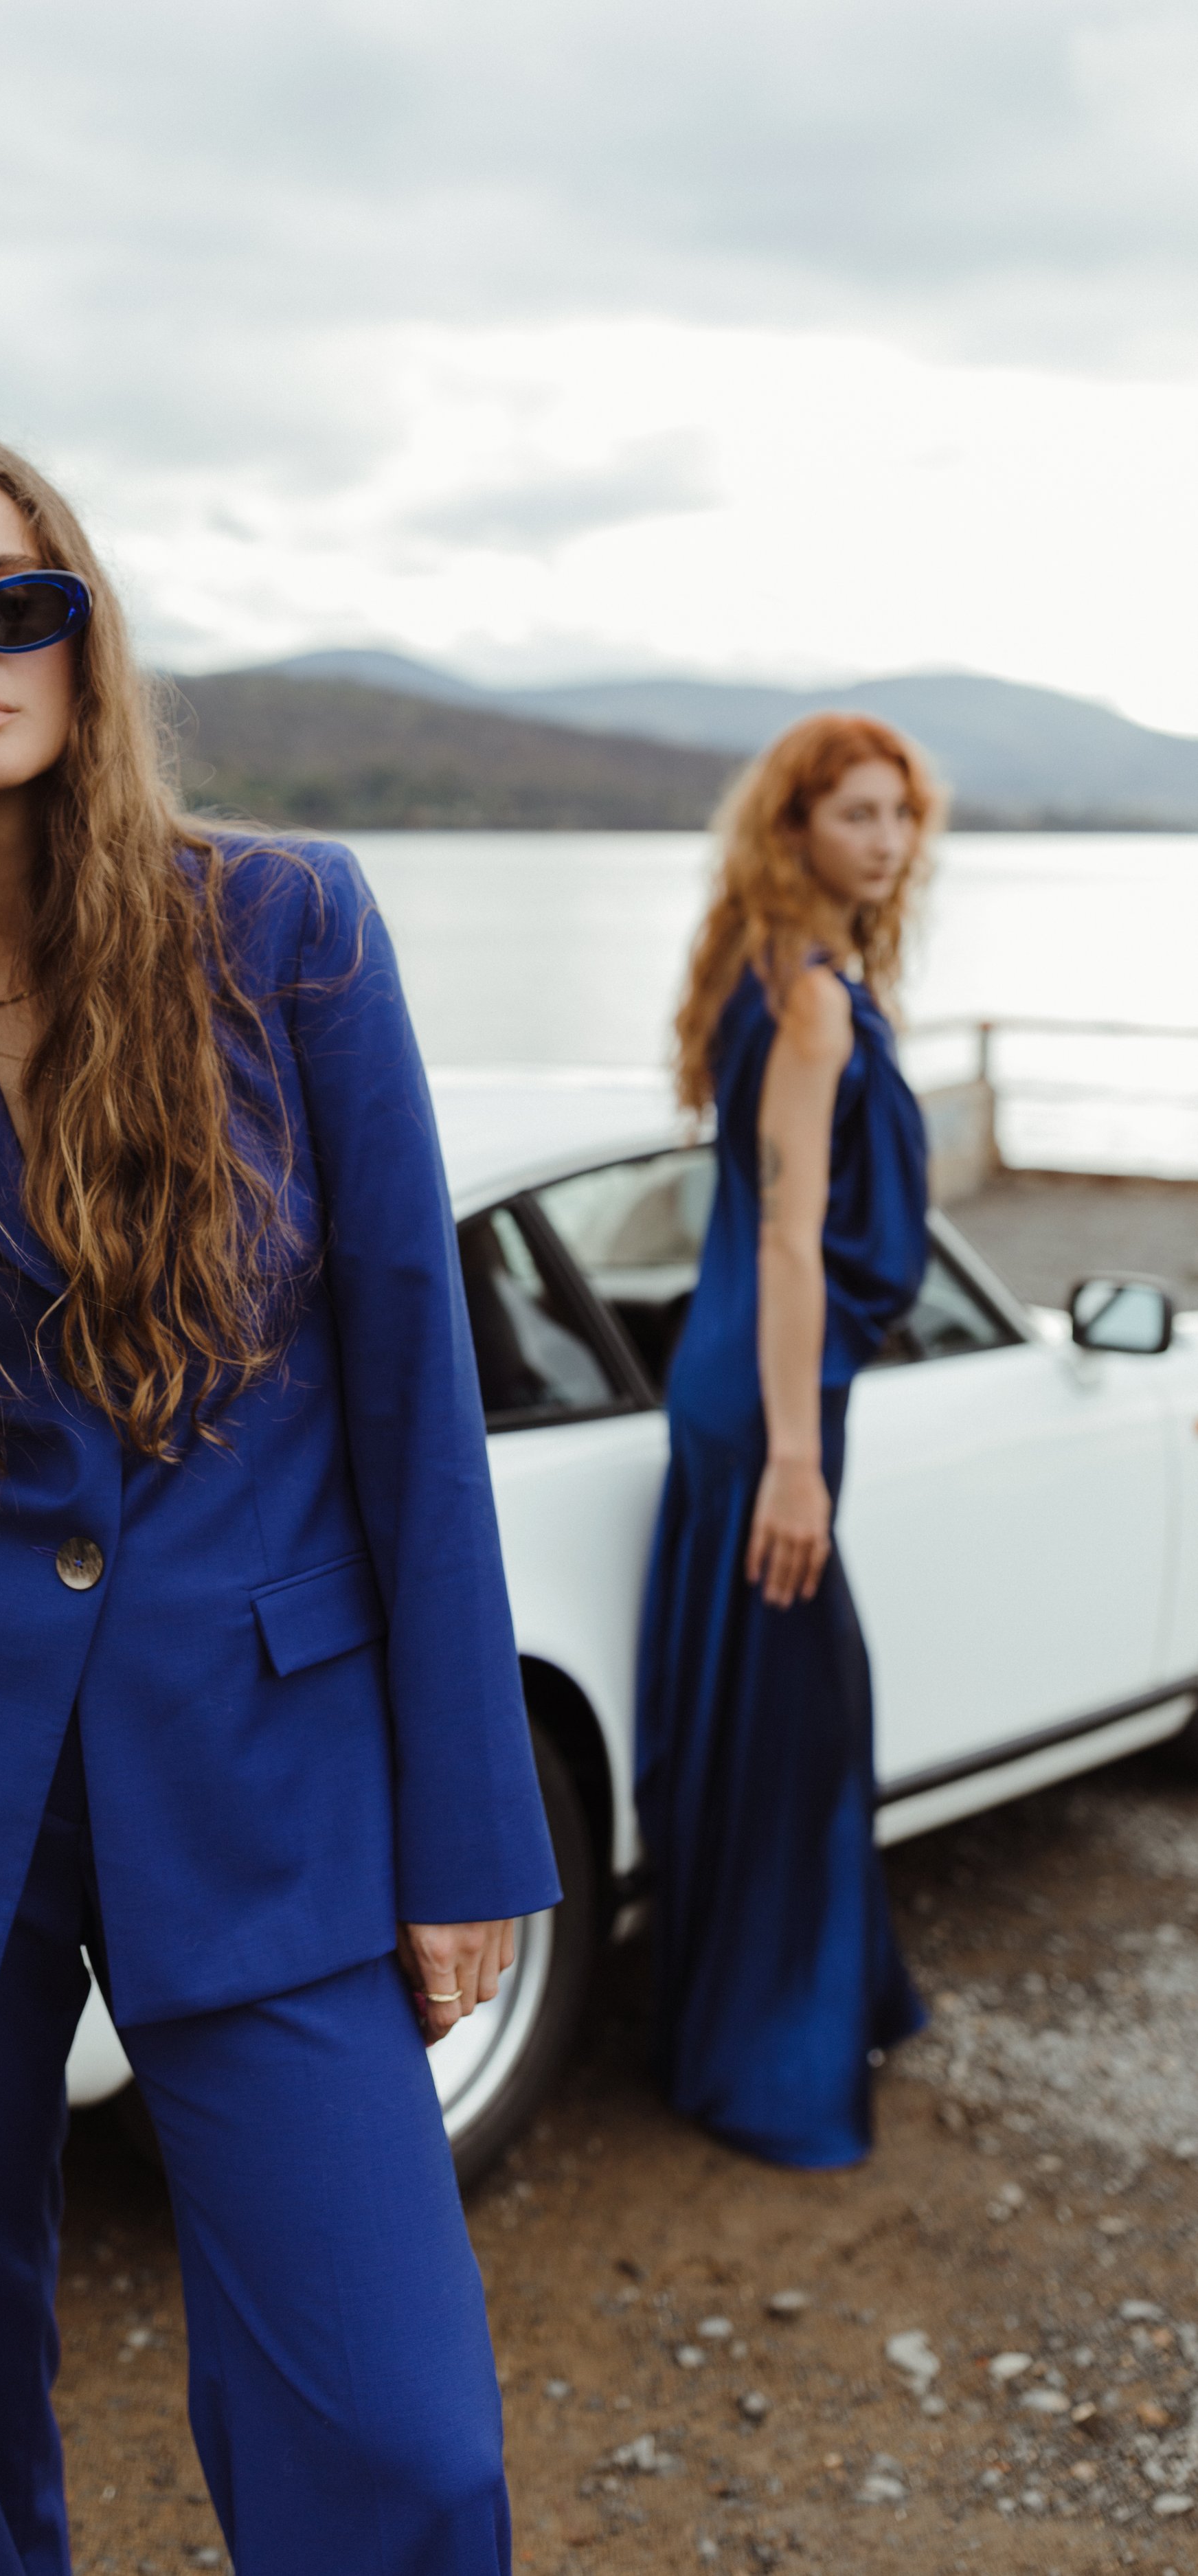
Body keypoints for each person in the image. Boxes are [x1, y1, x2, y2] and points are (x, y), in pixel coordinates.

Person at [0, 422, 558, 2576]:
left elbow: (413, 1398)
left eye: (14, 599)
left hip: (264, 1770)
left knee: (404, 2447)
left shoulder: (287, 930)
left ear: (84, 624)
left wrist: (461, 1829)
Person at [635, 713, 940, 2169]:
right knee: (796, 1732)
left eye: (898, 815)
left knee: (758, 1719)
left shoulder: (776, 975)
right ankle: (763, 2066)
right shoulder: (807, 999)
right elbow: (783, 1236)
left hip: (739, 1380)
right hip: (770, 1394)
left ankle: (769, 2013)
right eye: (854, 814)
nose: (884, 841)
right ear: (795, 830)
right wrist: (795, 1461)